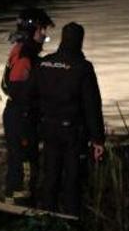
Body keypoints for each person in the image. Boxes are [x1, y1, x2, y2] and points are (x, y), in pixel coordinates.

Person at [36, 22, 105, 216]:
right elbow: (92, 105)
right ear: (80, 41)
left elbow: (34, 95)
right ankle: (71, 225)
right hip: (72, 132)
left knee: (50, 177)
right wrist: (98, 139)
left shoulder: (44, 63)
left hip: (48, 128)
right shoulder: (83, 68)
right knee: (72, 180)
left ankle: (46, 221)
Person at [1, 7, 53, 205]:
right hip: (22, 118)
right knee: (25, 167)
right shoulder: (25, 55)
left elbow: (6, 86)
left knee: (17, 165)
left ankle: (11, 208)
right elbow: (15, 87)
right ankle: (20, 212)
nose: (44, 35)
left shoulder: (20, 50)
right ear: (32, 30)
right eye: (42, 30)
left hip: (18, 115)